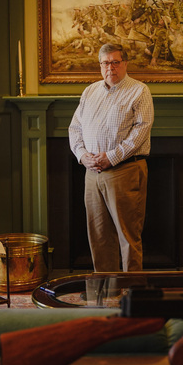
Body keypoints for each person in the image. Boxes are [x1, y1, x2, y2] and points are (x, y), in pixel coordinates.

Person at [69, 43, 154, 272]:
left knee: (128, 236)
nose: (110, 68)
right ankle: (108, 292)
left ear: (125, 63)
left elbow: (141, 131)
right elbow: (75, 128)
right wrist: (82, 156)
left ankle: (131, 295)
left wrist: (112, 157)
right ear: (100, 65)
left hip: (125, 170)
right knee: (99, 236)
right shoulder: (90, 91)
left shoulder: (139, 91)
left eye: (115, 62)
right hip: (92, 172)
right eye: (106, 63)